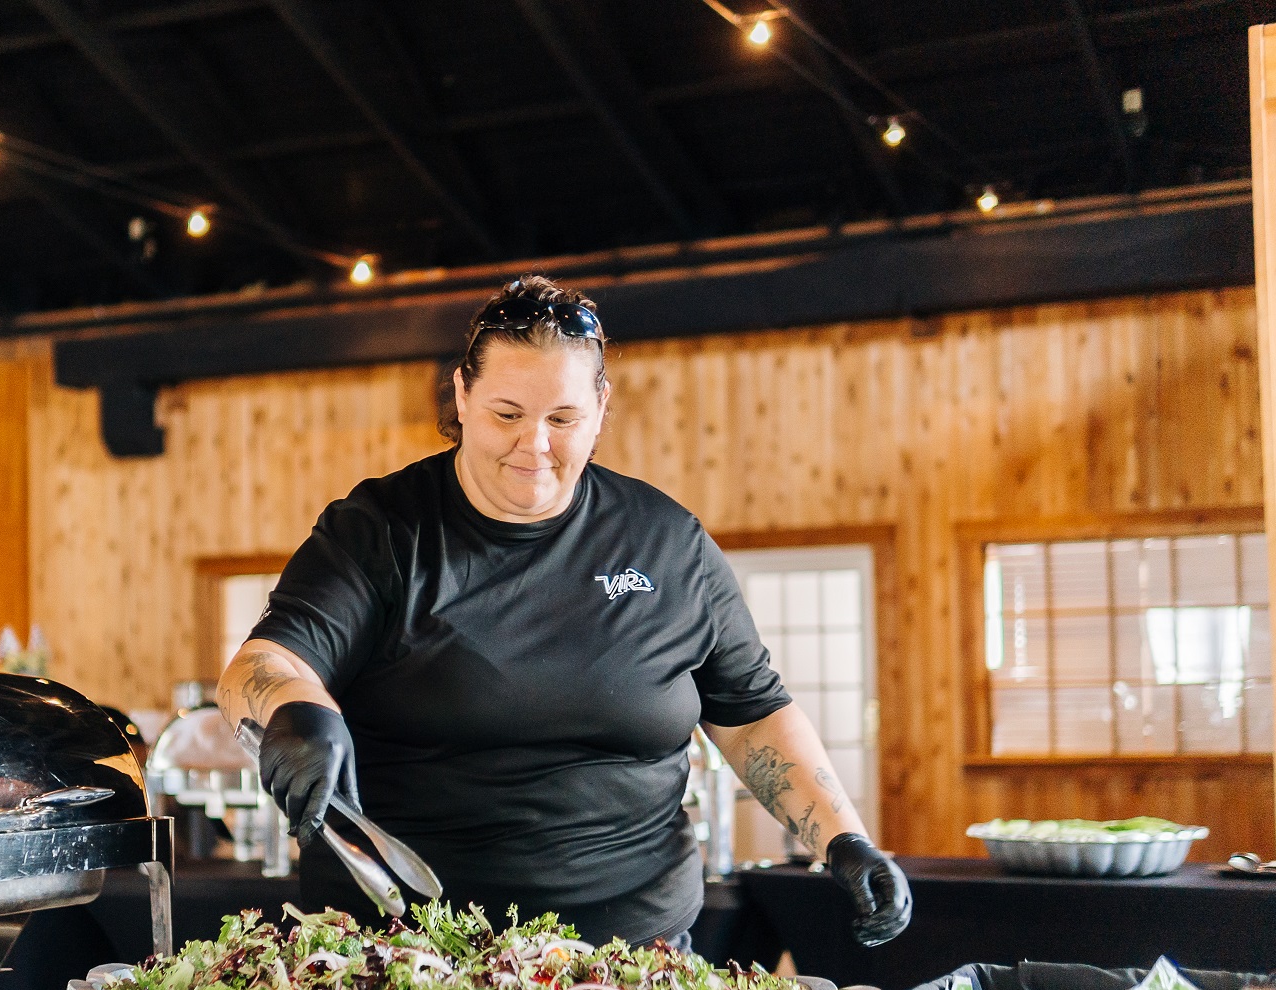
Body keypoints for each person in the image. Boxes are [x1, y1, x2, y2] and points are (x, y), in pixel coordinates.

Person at [217, 275, 910, 949]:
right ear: (461, 396)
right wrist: (295, 708)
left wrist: (844, 840)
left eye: (563, 418)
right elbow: (263, 661)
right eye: (507, 414)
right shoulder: (382, 531)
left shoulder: (667, 544)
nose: (535, 444)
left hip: (636, 961)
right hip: (406, 957)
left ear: (602, 408)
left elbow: (752, 712)